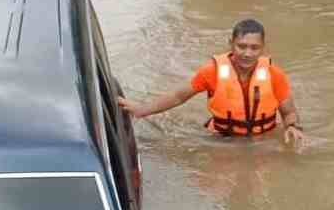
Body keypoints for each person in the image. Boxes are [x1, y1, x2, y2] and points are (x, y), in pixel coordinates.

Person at [117, 19, 306, 148]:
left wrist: (292, 128)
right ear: (231, 43)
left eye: (254, 48)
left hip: (264, 140)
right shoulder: (212, 72)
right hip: (220, 139)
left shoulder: (274, 73)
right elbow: (178, 96)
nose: (247, 53)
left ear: (262, 48)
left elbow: (288, 111)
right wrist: (142, 110)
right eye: (242, 46)